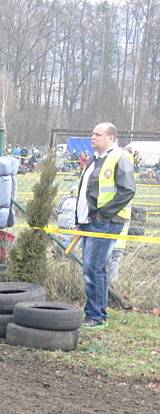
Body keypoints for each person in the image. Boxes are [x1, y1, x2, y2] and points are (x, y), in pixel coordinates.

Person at [75, 122, 135, 328]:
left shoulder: (120, 158)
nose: (93, 137)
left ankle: (96, 315)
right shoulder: (95, 159)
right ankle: (94, 312)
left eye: (98, 134)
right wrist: (80, 220)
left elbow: (127, 191)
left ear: (111, 137)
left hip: (105, 223)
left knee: (94, 268)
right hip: (89, 222)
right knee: (92, 268)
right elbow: (87, 192)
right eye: (92, 134)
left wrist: (103, 215)